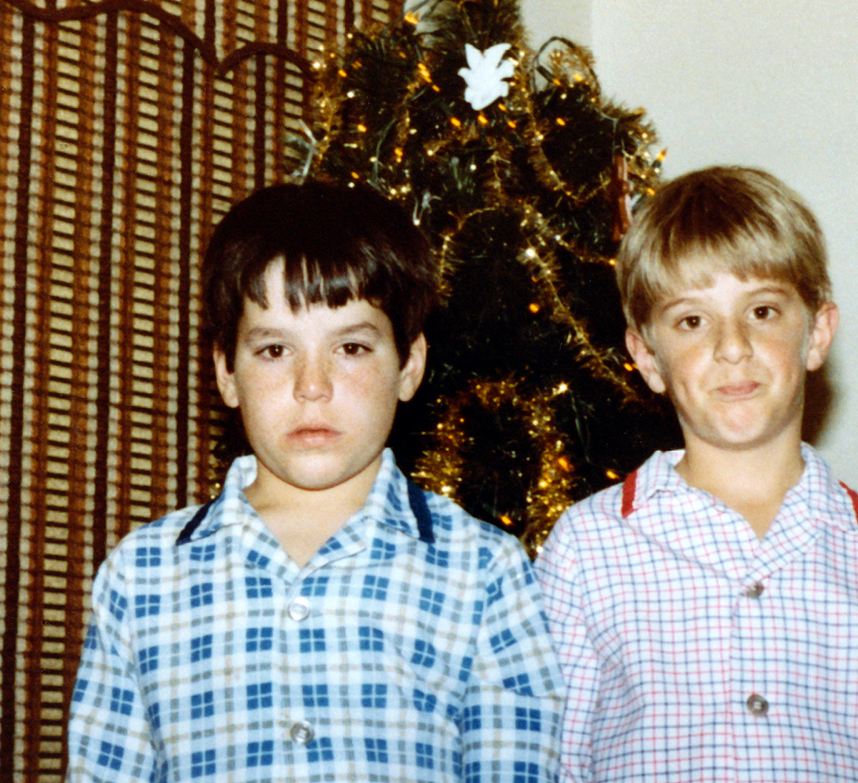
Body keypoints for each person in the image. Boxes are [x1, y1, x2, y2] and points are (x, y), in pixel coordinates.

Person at [66, 182, 561, 782]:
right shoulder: (141, 575)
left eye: (350, 347)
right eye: (275, 350)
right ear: (226, 372)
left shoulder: (484, 572)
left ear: (409, 365)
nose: (312, 385)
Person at [536, 166, 858, 781]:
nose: (732, 346)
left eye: (763, 311)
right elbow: (553, 763)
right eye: (692, 321)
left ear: (817, 333)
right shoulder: (587, 548)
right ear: (647, 357)